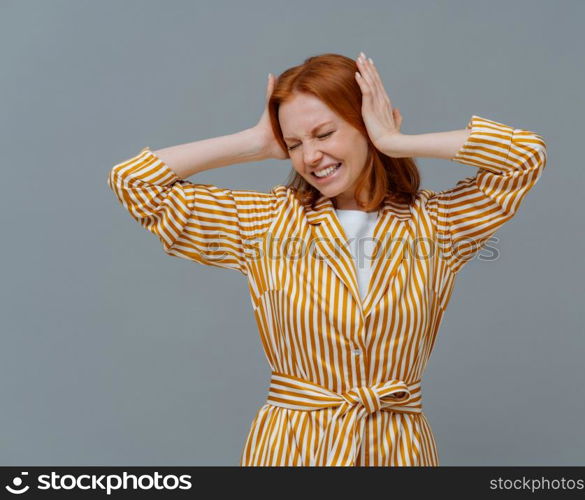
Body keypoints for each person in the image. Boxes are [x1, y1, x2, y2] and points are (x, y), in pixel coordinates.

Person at [107, 51, 548, 466]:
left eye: (324, 133)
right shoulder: (268, 223)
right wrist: (255, 141)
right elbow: (134, 183)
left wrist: (397, 140)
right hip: (292, 447)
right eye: (294, 142)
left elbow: (524, 157)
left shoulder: (438, 224)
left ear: (366, 124)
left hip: (398, 450)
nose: (310, 156)